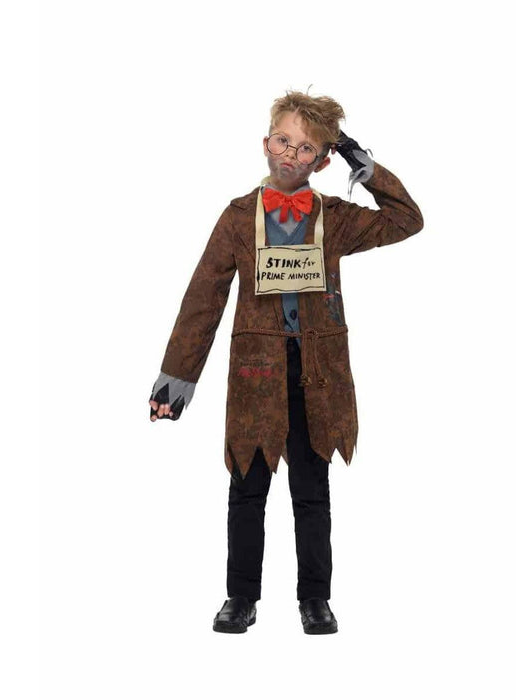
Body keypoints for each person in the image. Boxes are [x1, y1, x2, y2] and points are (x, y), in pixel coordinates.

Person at [149, 90, 424, 634]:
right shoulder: (236, 217)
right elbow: (204, 297)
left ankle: (315, 598)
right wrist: (176, 380)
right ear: (265, 143)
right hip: (257, 373)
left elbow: (406, 219)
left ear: (321, 161)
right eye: (283, 141)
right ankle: (240, 596)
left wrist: (365, 166)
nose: (291, 155)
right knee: (247, 486)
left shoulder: (335, 218)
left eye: (306, 148)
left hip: (319, 374)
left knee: (312, 490)